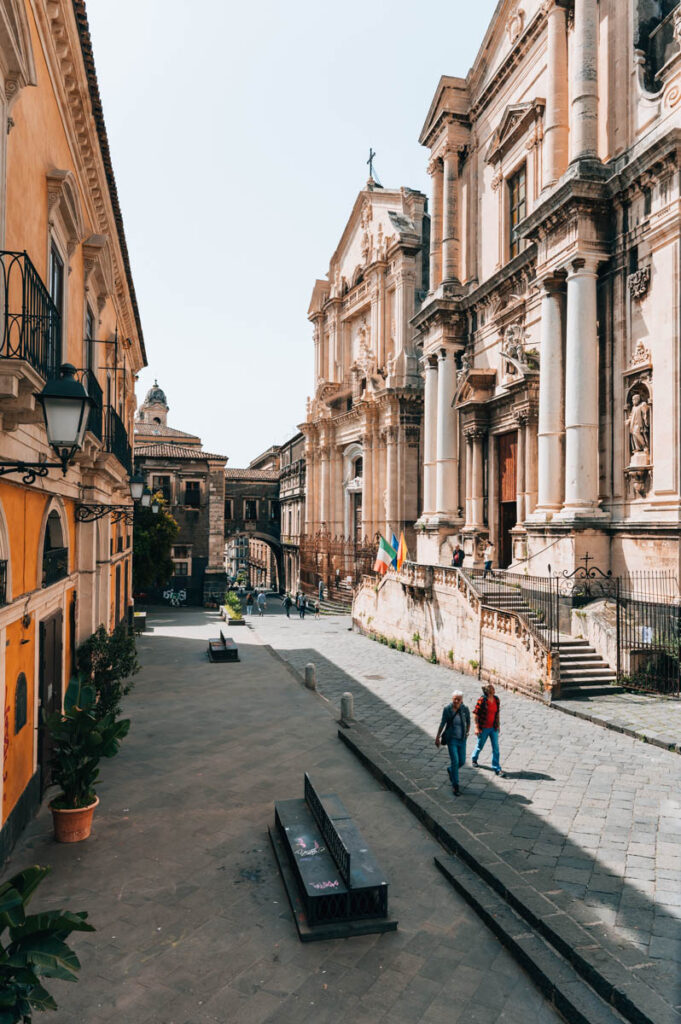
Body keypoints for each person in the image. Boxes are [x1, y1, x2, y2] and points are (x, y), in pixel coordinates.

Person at [435, 690, 470, 796]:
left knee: (462, 761)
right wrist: (437, 737)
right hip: (452, 739)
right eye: (455, 698)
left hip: (462, 739)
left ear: (462, 700)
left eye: (458, 699)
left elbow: (468, 721)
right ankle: (455, 786)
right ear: (452, 699)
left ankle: (450, 770)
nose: (456, 701)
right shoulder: (447, 709)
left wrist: (467, 732)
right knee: (455, 761)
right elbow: (442, 723)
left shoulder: (465, 709)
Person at [471, 683, 506, 777]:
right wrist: (476, 727)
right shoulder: (482, 700)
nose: (494, 689)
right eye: (493, 688)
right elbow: (475, 713)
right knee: (480, 746)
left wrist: (498, 725)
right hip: (484, 728)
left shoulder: (496, 699)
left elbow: (497, 713)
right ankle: (474, 758)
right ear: (489, 691)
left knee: (496, 749)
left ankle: (497, 768)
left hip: (493, 727)